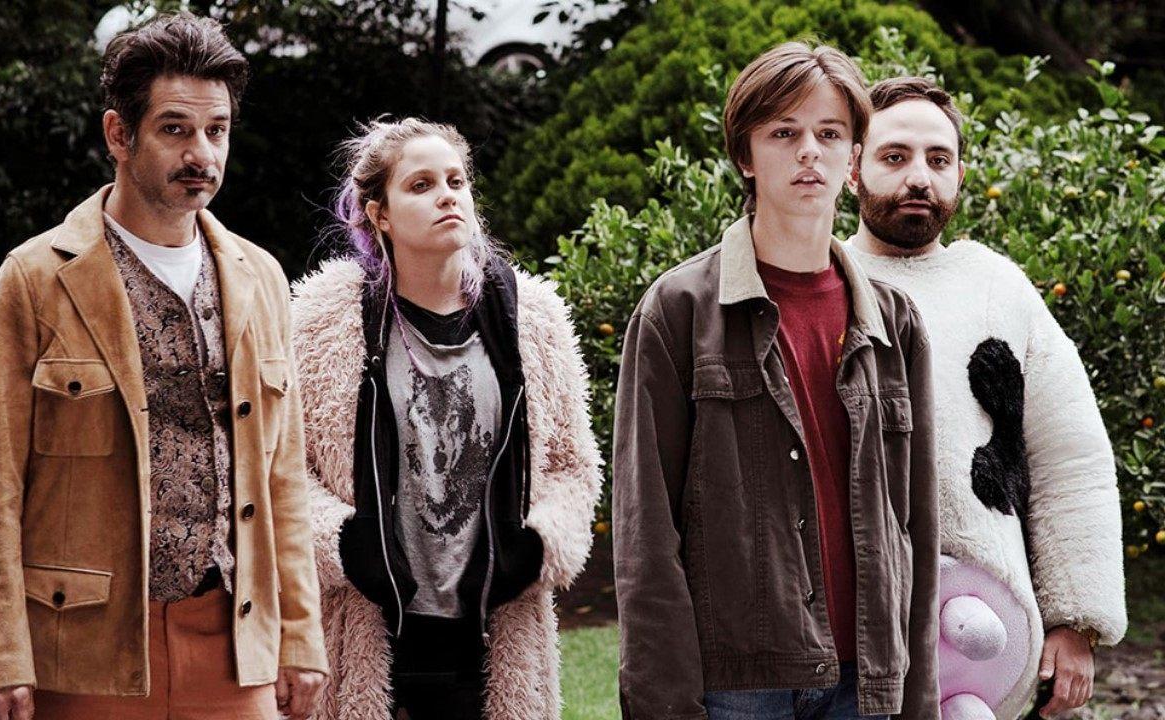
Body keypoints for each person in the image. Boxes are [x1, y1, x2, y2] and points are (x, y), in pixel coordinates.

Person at [0, 12, 327, 720]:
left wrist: (301, 636)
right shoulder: (35, 280)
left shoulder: (261, 277)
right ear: (119, 135)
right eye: (175, 129)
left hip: (233, 641)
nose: (201, 154)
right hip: (82, 647)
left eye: (216, 130)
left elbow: (283, 477)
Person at [613, 41, 941, 720]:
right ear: (745, 154)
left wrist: (917, 699)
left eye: (830, 134)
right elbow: (645, 533)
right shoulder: (679, 310)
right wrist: (664, 702)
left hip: (868, 680)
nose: (809, 153)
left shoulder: (897, 323)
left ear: (854, 157)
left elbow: (916, 528)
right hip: (737, 684)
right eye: (784, 133)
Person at [289, 117, 603, 719]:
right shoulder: (322, 323)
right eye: (422, 185)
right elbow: (283, 468)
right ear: (379, 214)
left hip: (495, 628)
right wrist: (342, 542)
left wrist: (539, 544)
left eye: (457, 181)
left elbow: (574, 464)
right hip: (368, 624)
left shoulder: (531, 320)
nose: (447, 196)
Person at [845, 76, 1126, 720]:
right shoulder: (818, 279)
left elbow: (1072, 460)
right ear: (853, 168)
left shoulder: (999, 288)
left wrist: (1076, 620)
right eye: (895, 156)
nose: (919, 178)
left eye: (938, 159)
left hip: (985, 632)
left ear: (961, 175)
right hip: (840, 628)